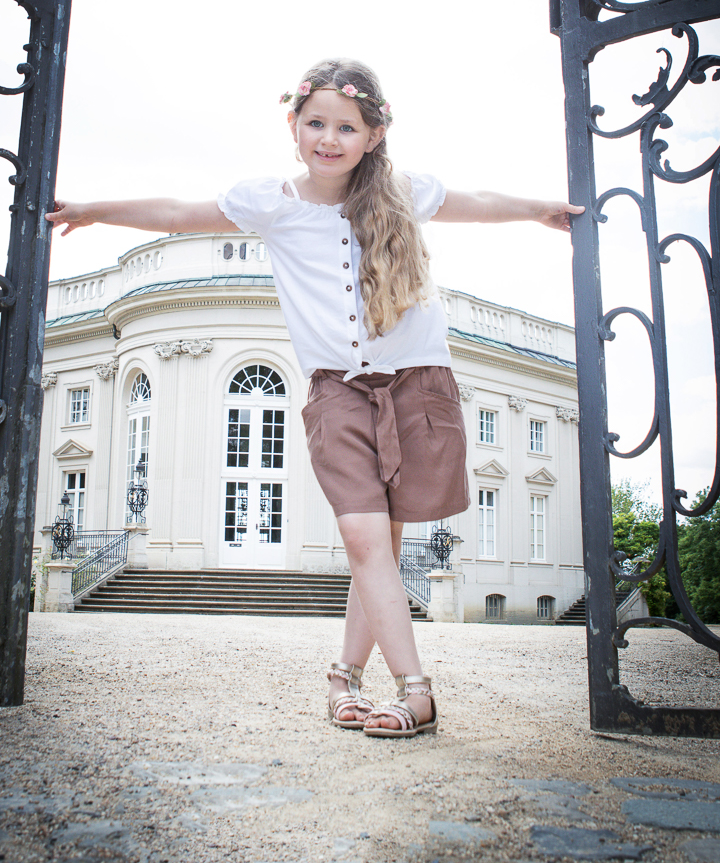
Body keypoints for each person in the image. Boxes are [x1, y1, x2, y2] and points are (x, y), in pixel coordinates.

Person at [45, 58, 583, 739]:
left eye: (346, 126)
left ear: (373, 134)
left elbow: (473, 201)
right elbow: (181, 213)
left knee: (379, 549)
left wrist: (539, 209)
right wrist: (94, 210)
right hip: (337, 392)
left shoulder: (401, 194)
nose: (329, 138)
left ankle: (343, 678)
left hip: (417, 382)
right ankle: (416, 691)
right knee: (365, 538)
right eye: (316, 123)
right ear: (294, 125)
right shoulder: (272, 202)